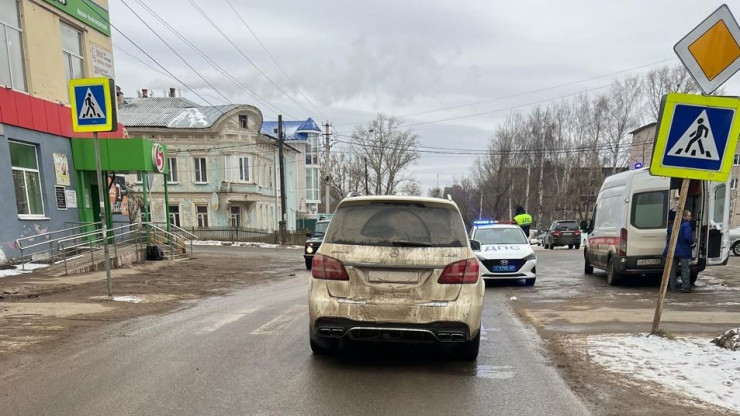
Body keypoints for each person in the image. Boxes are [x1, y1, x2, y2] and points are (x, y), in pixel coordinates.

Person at [663, 210, 694, 293]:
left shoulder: (673, 225)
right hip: (683, 250)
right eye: (689, 216)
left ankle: (672, 286)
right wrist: (692, 242)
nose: (690, 218)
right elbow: (687, 237)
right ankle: (685, 287)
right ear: (684, 217)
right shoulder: (686, 225)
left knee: (672, 269)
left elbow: (668, 232)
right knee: (685, 269)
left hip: (673, 250)